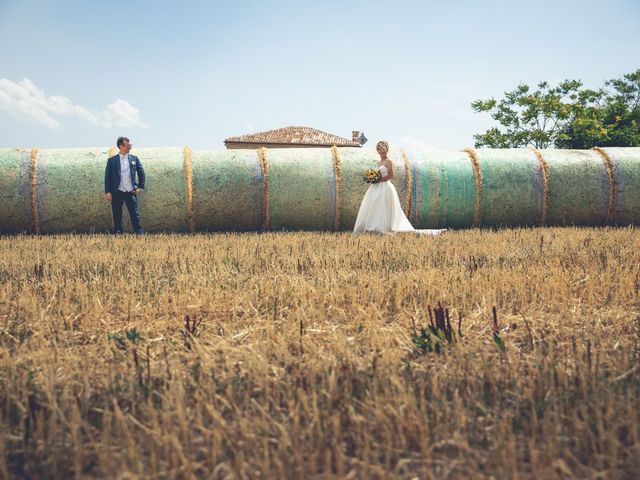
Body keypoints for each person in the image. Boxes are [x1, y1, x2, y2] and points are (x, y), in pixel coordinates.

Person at [353, 140, 445, 235]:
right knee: (375, 206)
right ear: (377, 150)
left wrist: (379, 180)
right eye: (379, 148)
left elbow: (391, 175)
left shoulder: (389, 161)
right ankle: (372, 226)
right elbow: (377, 174)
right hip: (376, 187)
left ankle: (383, 227)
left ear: (386, 149)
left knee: (384, 206)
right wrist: (372, 179)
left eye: (383, 148)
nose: (381, 150)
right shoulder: (378, 162)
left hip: (385, 187)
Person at [104, 136, 145, 234]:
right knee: (117, 214)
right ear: (121, 146)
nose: (130, 146)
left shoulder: (134, 158)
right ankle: (118, 232)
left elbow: (141, 173)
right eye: (128, 145)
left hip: (130, 191)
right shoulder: (112, 160)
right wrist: (108, 192)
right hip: (117, 191)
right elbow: (107, 177)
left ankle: (139, 232)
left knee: (134, 214)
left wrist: (140, 187)